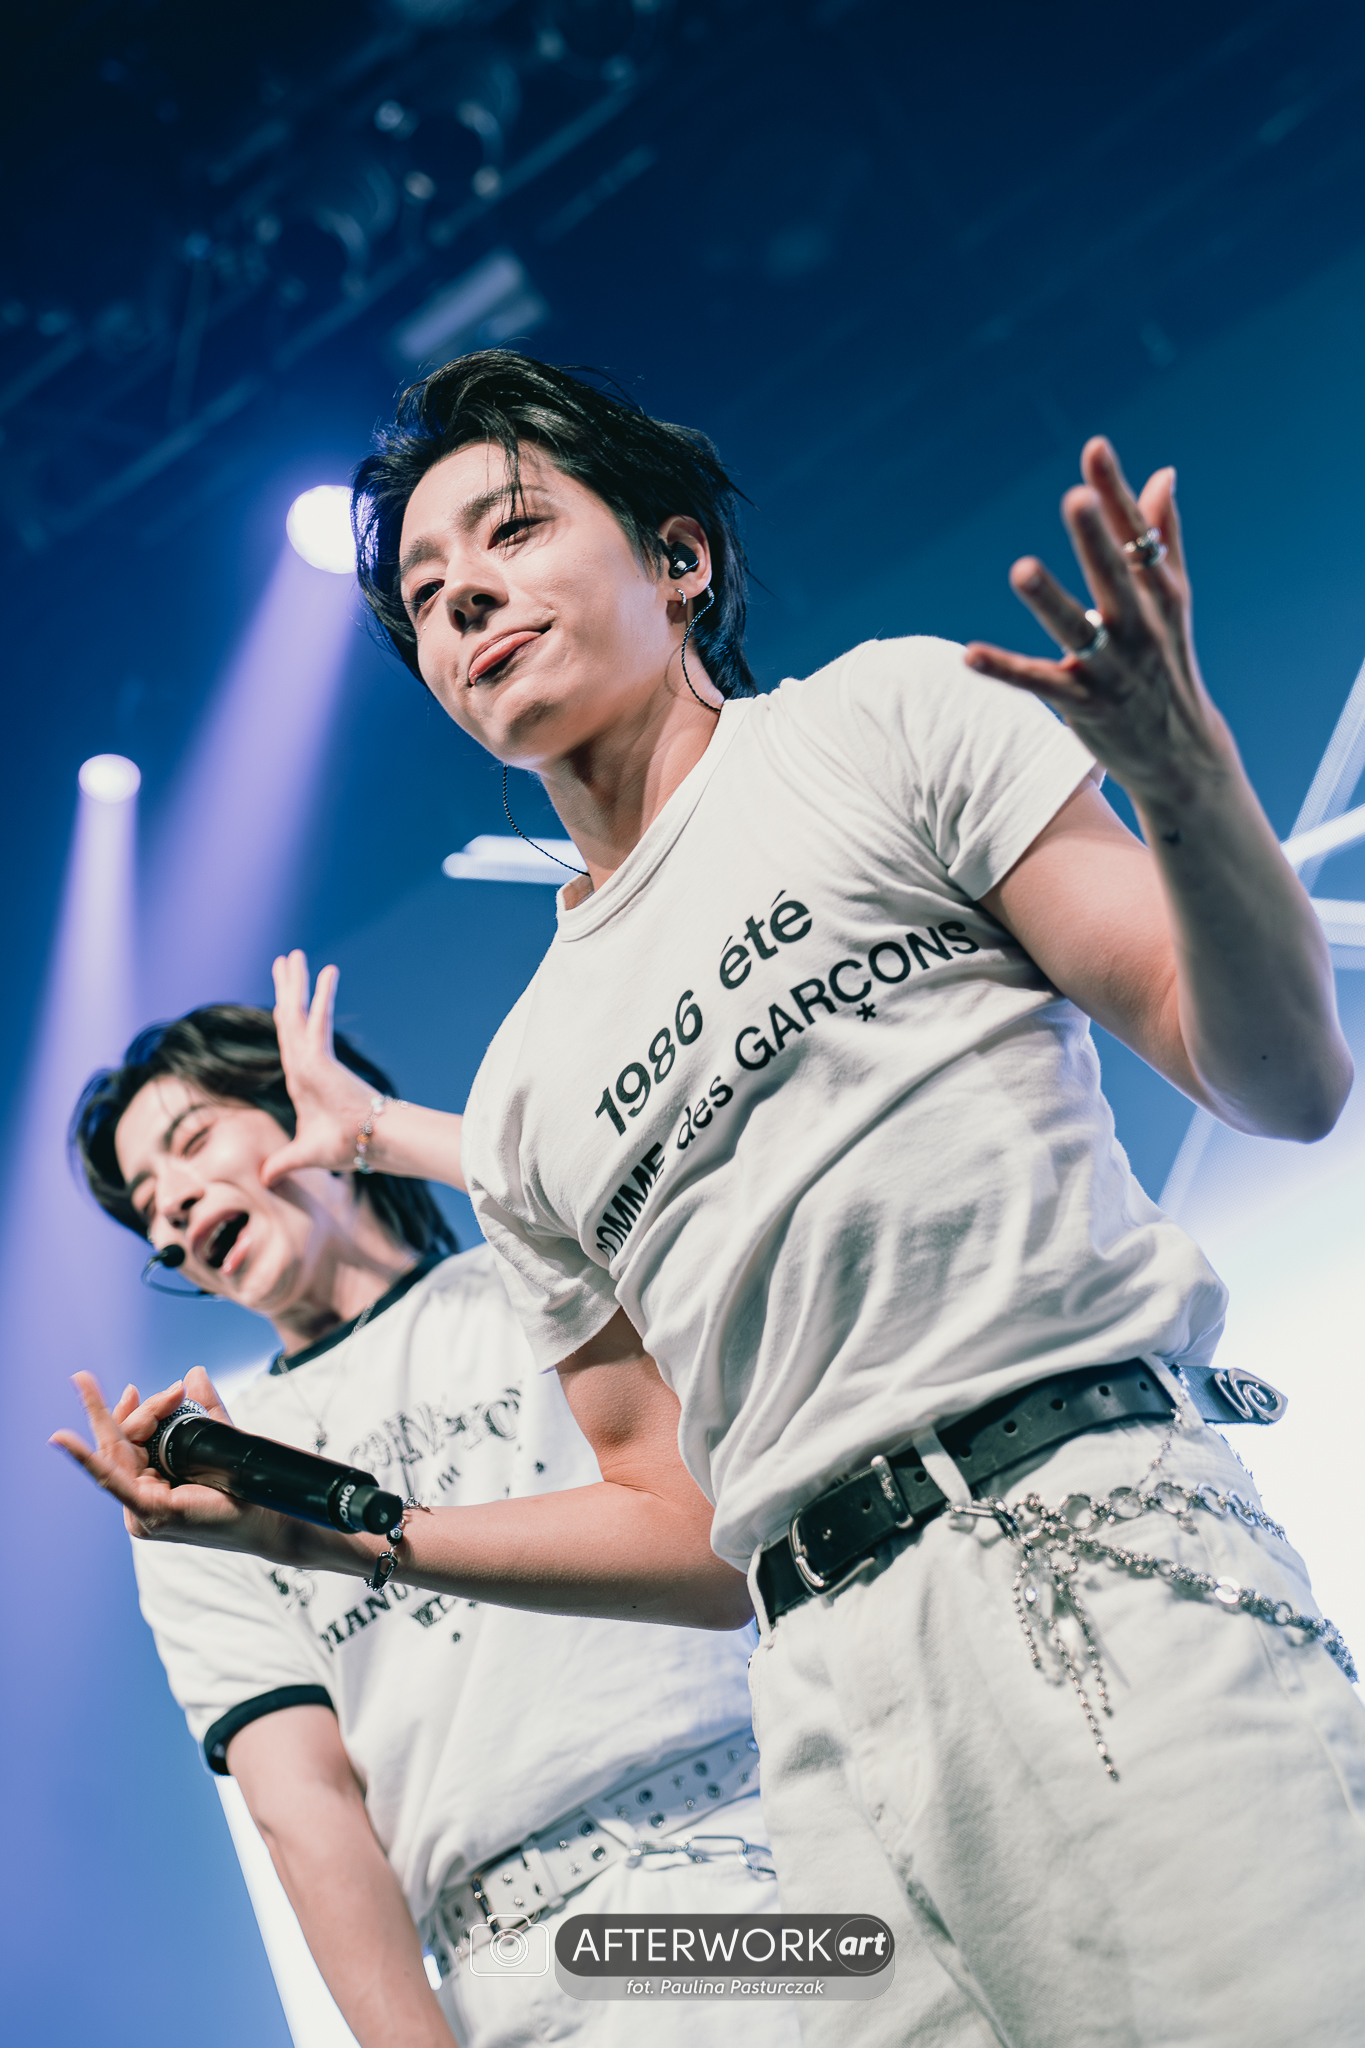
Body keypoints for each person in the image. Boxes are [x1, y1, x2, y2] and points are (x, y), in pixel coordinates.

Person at [57, 354, 1365, 2046]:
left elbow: (1284, 1080)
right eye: (426, 597)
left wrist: (1187, 786)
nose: (463, 598)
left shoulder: (882, 720)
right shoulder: (527, 1084)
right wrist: (336, 1528)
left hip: (1092, 1547)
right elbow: (683, 1528)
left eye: (511, 532)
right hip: (823, 1718)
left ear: (677, 557)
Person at [63, 1004, 795, 2048]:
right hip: (512, 1970)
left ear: (295, 1106)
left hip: (754, 1850)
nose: (170, 1211)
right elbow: (303, 1808)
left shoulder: (532, 1277)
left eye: (193, 1141)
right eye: (147, 1207)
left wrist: (379, 1130)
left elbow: (712, 1548)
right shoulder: (203, 1491)